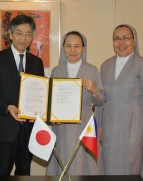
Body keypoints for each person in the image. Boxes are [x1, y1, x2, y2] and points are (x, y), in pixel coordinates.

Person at [0, 14, 44, 175]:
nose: (24, 38)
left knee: (24, 173)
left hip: (28, 131)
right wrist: (7, 106)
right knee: (2, 173)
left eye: (28, 33)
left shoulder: (36, 63)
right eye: (19, 33)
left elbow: (41, 94)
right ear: (10, 34)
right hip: (4, 129)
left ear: (33, 36)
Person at [96, 24, 143, 181]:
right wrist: (100, 126)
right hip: (110, 126)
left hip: (135, 127)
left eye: (126, 38)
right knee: (110, 164)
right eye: (117, 38)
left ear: (134, 41)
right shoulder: (105, 65)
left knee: (132, 165)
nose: (121, 42)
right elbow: (101, 99)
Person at [45, 31, 104, 175]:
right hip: (62, 126)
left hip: (84, 125)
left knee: (84, 165)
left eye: (77, 46)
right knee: (63, 162)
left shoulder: (92, 70)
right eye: (68, 46)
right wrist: (53, 117)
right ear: (63, 48)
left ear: (83, 48)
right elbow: (50, 101)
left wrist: (94, 90)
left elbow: (101, 100)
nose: (72, 50)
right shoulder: (57, 70)